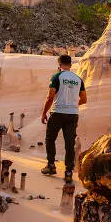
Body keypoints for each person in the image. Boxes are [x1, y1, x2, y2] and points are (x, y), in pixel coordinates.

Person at [40, 55, 87, 183]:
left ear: (59, 65)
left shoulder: (56, 77)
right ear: (70, 65)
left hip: (58, 113)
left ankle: (51, 166)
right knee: (69, 143)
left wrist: (44, 113)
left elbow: (50, 97)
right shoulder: (78, 79)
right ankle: (68, 172)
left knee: (50, 139)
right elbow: (84, 99)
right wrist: (73, 105)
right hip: (72, 115)